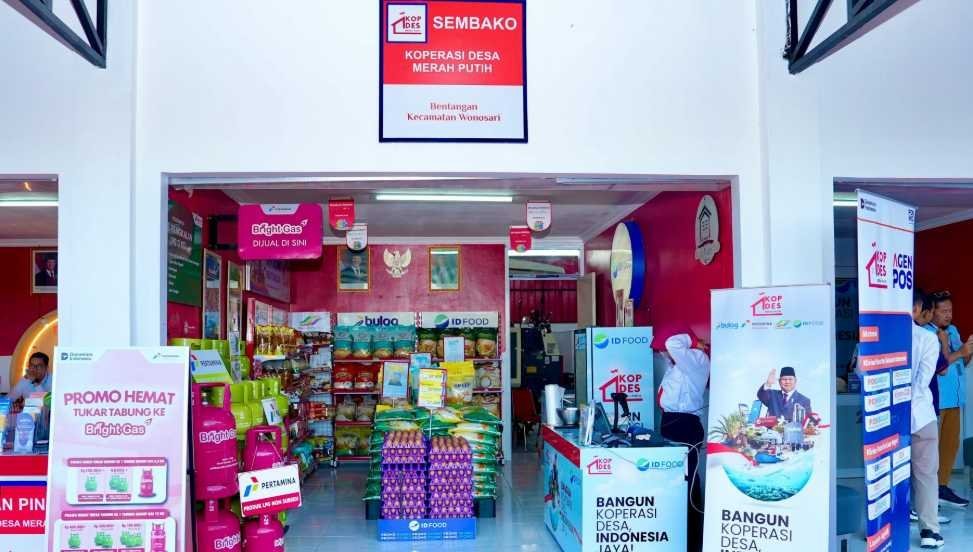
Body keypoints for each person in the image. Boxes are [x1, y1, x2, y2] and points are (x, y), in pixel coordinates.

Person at [658, 331, 709, 552]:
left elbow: (672, 343)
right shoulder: (677, 364)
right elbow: (668, 349)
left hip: (684, 424)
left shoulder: (697, 358)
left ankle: (692, 538)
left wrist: (693, 340)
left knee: (688, 480)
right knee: (674, 480)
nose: (663, 352)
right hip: (672, 422)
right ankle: (677, 532)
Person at [929, 290, 972, 507]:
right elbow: (941, 365)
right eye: (943, 311)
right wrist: (955, 349)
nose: (948, 315)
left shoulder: (953, 330)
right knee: (931, 449)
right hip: (937, 400)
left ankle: (942, 486)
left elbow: (963, 362)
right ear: (932, 311)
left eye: (950, 310)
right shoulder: (926, 333)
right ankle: (929, 491)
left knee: (950, 446)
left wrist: (968, 351)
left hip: (955, 399)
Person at [911, 290, 947, 548]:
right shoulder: (926, 338)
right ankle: (929, 531)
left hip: (884, 418)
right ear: (917, 309)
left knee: (887, 472)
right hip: (920, 415)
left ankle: (883, 527)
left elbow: (860, 371)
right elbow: (923, 380)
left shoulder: (875, 335)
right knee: (925, 474)